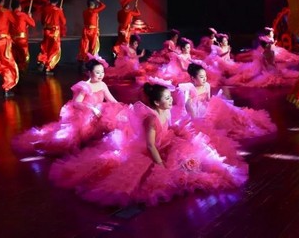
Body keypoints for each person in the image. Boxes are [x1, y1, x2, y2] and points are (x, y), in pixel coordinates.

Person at [48, 82, 248, 207]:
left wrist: (179, 133)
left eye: (170, 97)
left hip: (167, 142)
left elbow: (169, 127)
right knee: (159, 175)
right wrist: (160, 164)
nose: (170, 100)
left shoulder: (166, 111)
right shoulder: (150, 119)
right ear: (157, 102)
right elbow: (151, 145)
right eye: (167, 98)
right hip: (153, 150)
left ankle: (190, 168)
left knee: (194, 156)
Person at [12, 55, 126, 157]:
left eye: (102, 72)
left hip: (97, 112)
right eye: (97, 72)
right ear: (89, 73)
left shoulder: (102, 84)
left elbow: (111, 99)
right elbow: (76, 103)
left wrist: (123, 107)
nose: (101, 75)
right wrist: (92, 109)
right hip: (85, 113)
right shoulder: (85, 86)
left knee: (113, 118)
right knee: (68, 142)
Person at [175, 63, 277, 140]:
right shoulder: (190, 88)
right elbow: (187, 104)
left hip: (206, 107)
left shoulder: (207, 85)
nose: (204, 79)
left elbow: (208, 99)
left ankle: (247, 123)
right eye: (201, 77)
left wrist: (212, 107)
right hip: (195, 111)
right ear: (193, 78)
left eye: (205, 76)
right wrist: (194, 118)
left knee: (227, 110)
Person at [37, 0, 66, 75]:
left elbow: (42, 21)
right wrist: (61, 11)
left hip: (46, 31)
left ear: (49, 0)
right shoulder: (58, 10)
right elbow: (63, 22)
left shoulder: (45, 9)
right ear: (57, 2)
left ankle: (42, 61)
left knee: (45, 48)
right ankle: (48, 67)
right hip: (55, 32)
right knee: (54, 49)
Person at [77, 0, 106, 64]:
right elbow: (103, 6)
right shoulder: (94, 11)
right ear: (93, 5)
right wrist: (99, 1)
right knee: (93, 46)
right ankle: (91, 59)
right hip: (92, 31)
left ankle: (83, 59)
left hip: (85, 30)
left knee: (85, 45)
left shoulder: (85, 11)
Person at [10, 0, 36, 72]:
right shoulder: (23, 15)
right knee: (24, 56)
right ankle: (21, 70)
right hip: (21, 39)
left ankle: (15, 70)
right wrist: (30, 17)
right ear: (19, 7)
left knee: (14, 55)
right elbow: (33, 24)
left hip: (12, 39)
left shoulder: (9, 14)